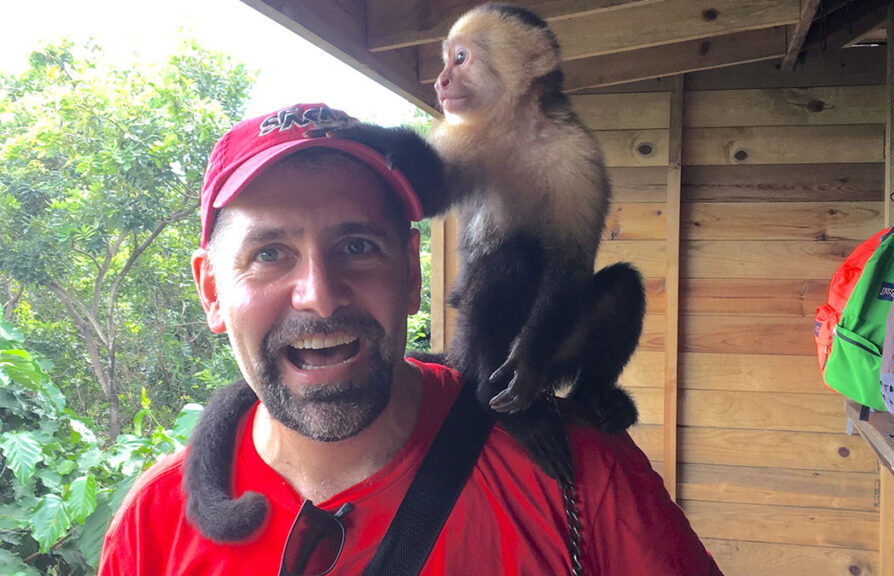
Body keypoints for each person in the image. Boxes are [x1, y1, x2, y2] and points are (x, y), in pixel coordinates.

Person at [97, 103, 724, 575]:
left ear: (411, 273)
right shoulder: (153, 524)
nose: (320, 293)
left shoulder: (583, 476)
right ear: (211, 291)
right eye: (269, 253)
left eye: (359, 246)